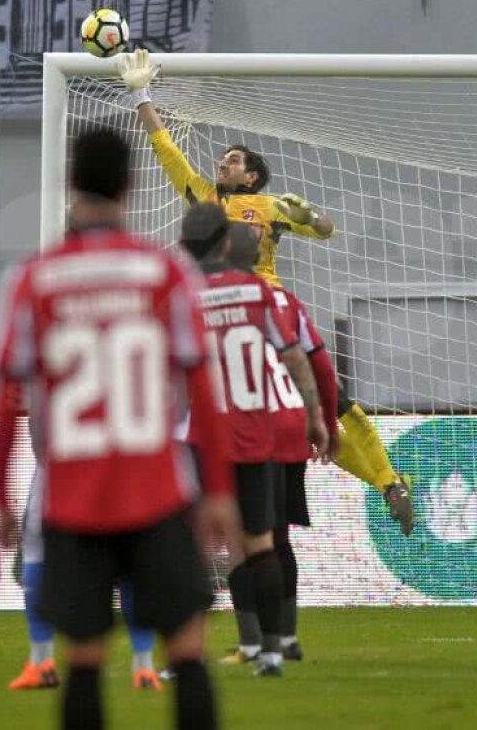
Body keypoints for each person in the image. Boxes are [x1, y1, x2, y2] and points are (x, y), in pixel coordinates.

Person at [0, 127, 241, 730]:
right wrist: (220, 492)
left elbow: (6, 398)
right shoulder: (163, 272)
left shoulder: (31, 279)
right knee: (187, 649)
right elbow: (202, 390)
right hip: (157, 491)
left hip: (75, 499)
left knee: (83, 660)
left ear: (73, 182)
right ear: (131, 184)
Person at [117, 48, 416, 537]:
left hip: (272, 313)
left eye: (232, 160)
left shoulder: (269, 205)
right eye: (223, 158)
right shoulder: (202, 196)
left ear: (251, 175)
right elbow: (165, 148)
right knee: (298, 427)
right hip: (224, 319)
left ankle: (388, 484)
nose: (222, 162)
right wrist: (140, 94)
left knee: (332, 403)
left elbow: (326, 229)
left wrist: (307, 215)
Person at [179, 204, 330, 678]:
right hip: (256, 435)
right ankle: (272, 649)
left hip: (204, 437)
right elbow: (299, 357)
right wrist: (317, 416)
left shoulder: (185, 295)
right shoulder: (262, 294)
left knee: (199, 549)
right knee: (265, 543)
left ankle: (191, 655)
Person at [217, 222, 339, 666]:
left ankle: (251, 642)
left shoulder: (212, 297)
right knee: (277, 537)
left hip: (245, 424)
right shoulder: (286, 300)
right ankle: (286, 639)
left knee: (243, 539)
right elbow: (320, 365)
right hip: (291, 421)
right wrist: (326, 422)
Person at [6, 455, 162, 692]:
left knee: (38, 551)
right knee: (133, 557)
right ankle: (144, 667)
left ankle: (41, 662)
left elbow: (37, 437)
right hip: (127, 466)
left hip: (66, 465)